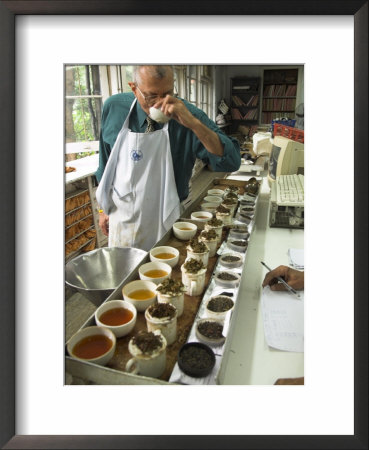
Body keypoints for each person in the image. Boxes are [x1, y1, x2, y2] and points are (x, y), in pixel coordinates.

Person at [95, 65, 241, 250]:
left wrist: (194, 125)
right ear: (134, 88)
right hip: (120, 217)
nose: (159, 104)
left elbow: (231, 161)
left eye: (167, 94)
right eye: (151, 96)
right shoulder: (114, 108)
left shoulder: (189, 115)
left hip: (164, 218)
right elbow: (105, 165)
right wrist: (102, 209)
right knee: (123, 275)